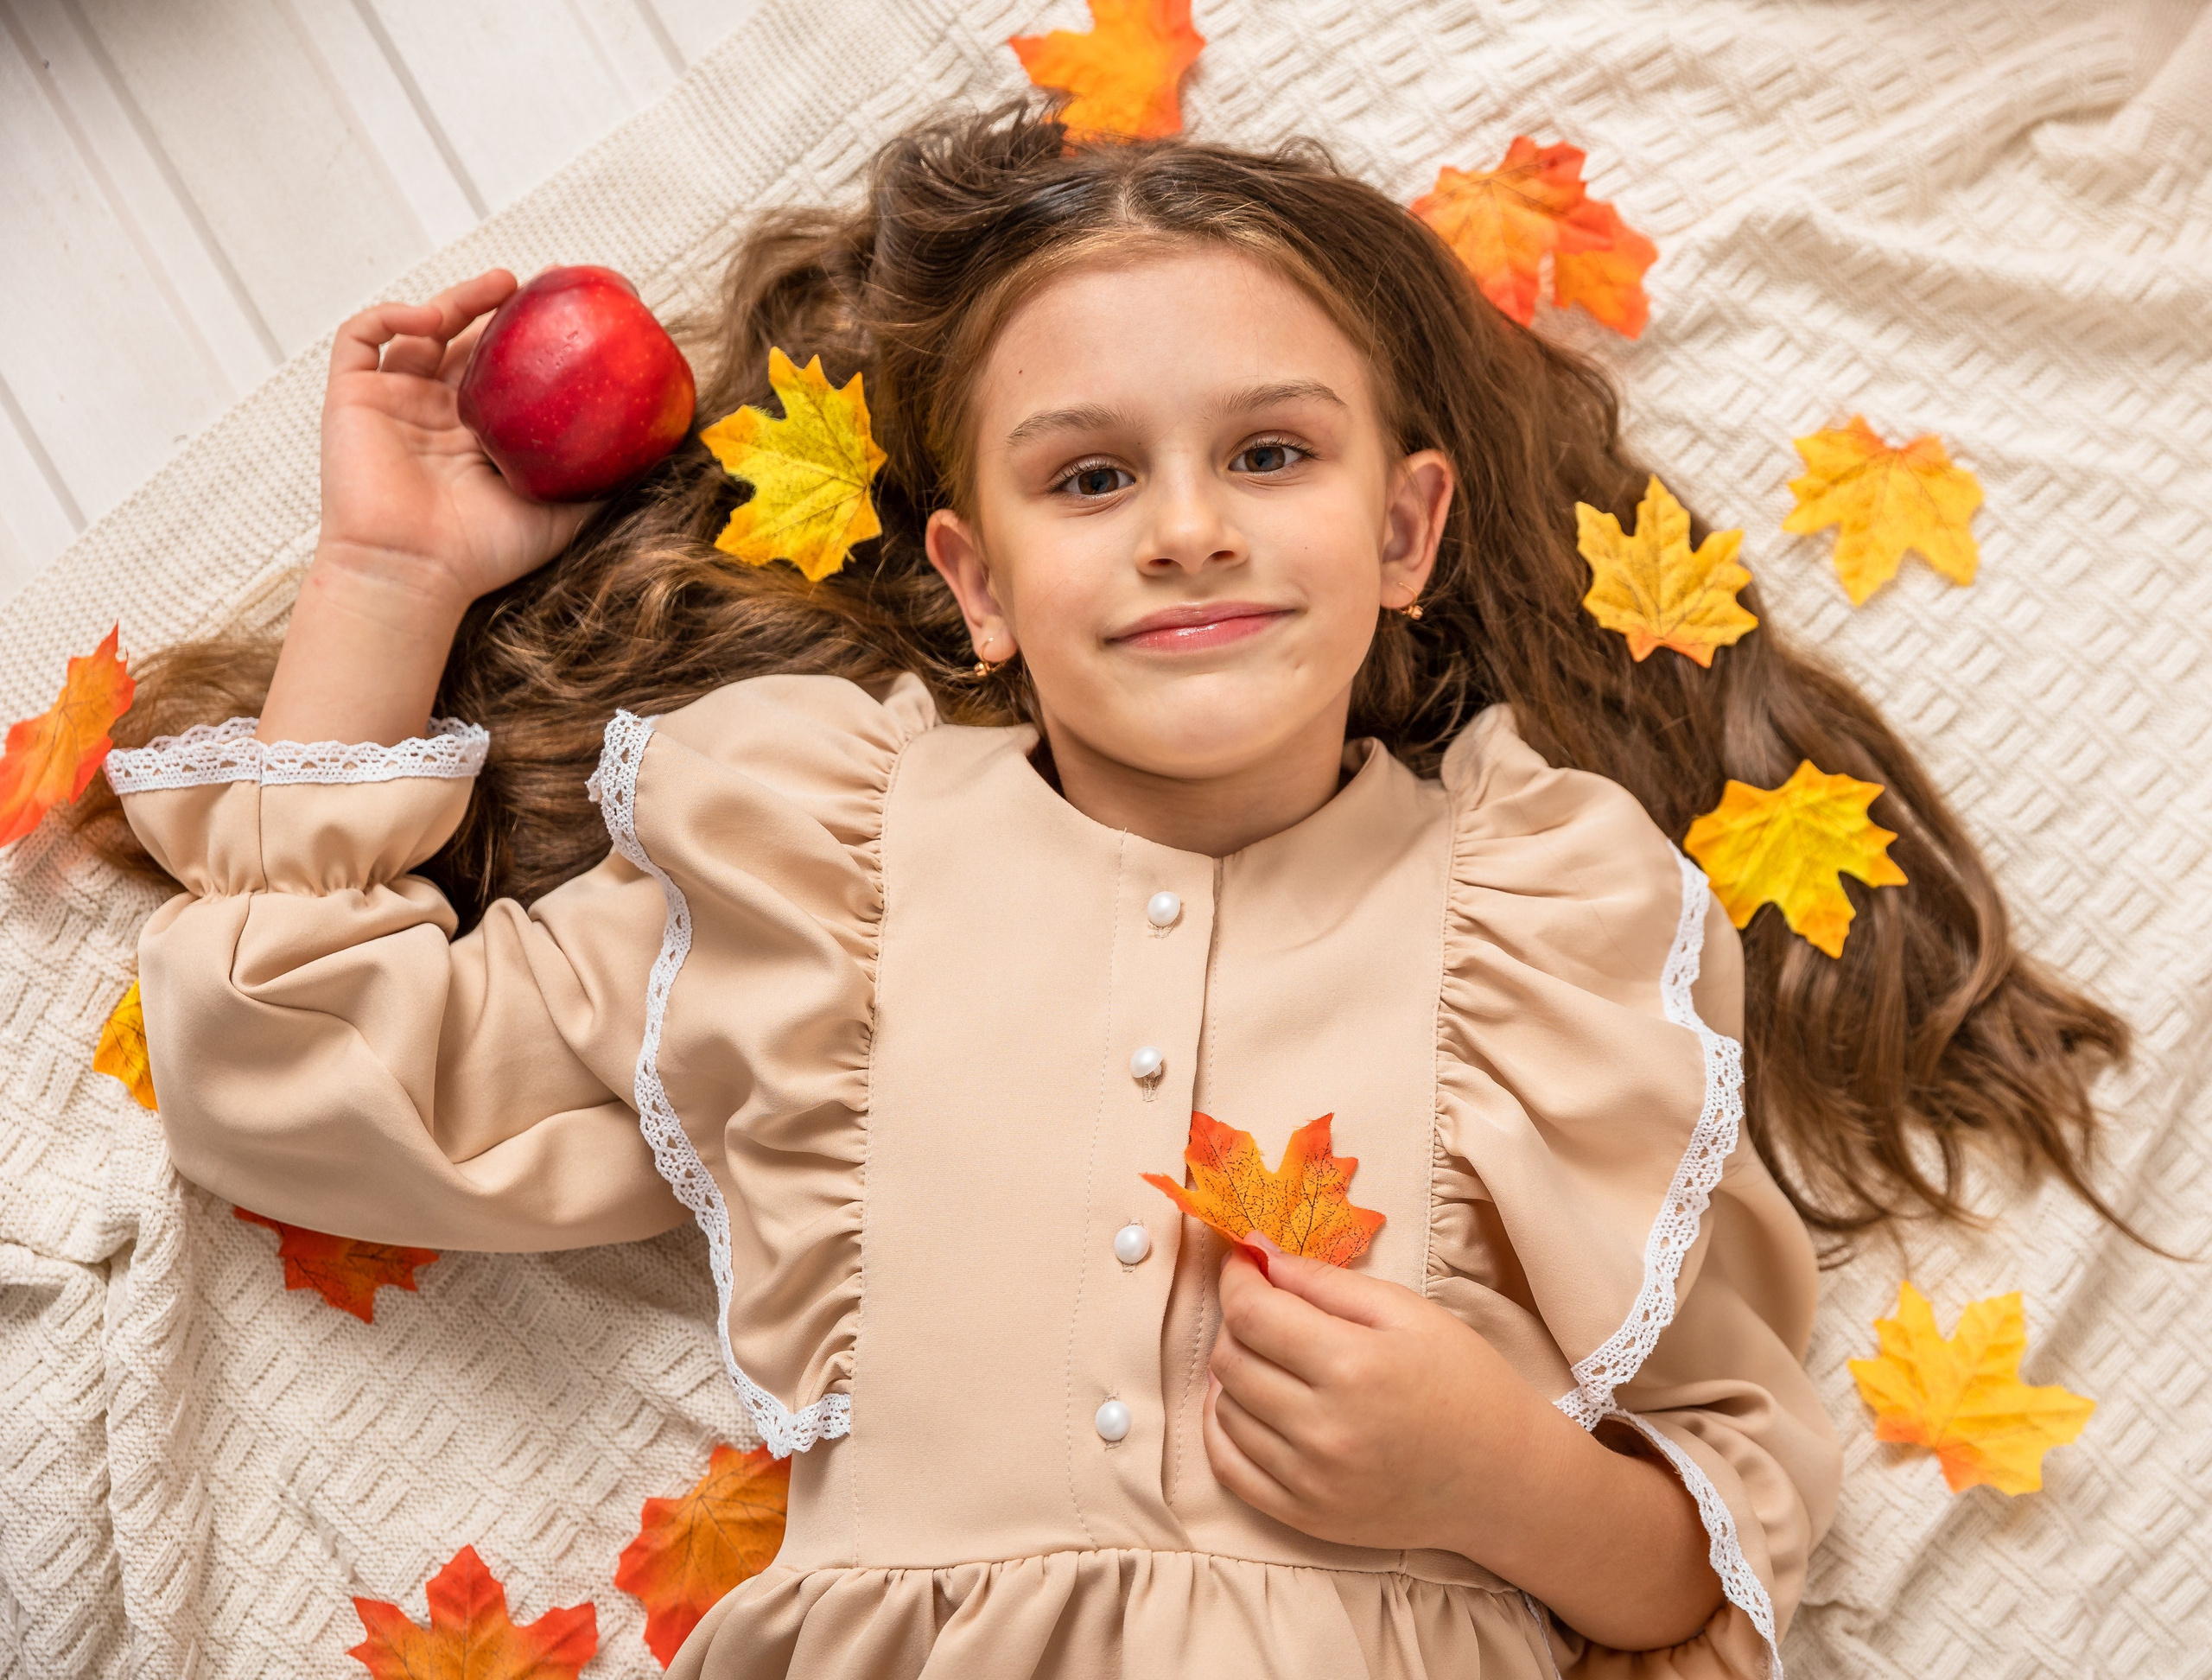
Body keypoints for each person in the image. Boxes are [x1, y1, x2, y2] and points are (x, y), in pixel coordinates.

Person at [95, 105, 2128, 1678]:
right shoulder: (822, 877)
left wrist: (1496, 1478)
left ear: (1405, 530)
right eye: (1087, 478)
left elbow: (1717, 1544)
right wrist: (388, 582)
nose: (1182, 530)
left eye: (1269, 456)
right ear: (973, 583)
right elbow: (291, 1057)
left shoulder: (1543, 917)